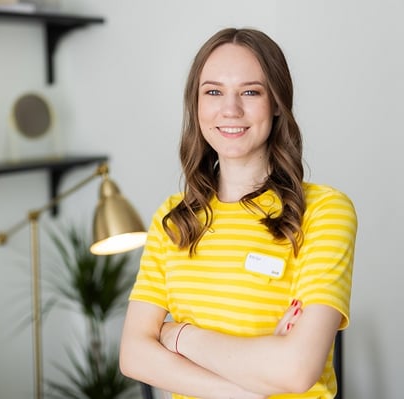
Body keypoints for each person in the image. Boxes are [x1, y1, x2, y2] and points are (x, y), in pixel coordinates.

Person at [119, 27, 357, 399]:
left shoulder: (324, 211)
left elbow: (295, 371)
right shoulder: (174, 218)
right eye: (213, 92)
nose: (230, 110)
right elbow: (133, 355)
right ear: (195, 104)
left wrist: (176, 335)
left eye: (250, 92)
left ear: (277, 102)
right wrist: (244, 389)